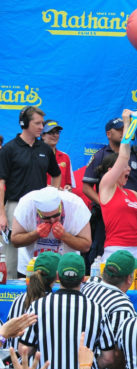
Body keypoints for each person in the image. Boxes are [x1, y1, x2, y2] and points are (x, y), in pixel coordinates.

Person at [18, 253, 115, 369]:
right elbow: (108, 358)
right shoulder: (98, 310)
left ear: (58, 276)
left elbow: (24, 350)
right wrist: (90, 368)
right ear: (83, 278)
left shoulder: (38, 306)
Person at [82, 116, 137, 264]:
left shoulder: (131, 192)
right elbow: (123, 156)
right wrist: (128, 123)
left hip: (136, 246)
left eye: (124, 129)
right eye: (120, 129)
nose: (128, 168)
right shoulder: (103, 162)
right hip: (115, 244)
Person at [0, 106, 62, 279]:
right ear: (24, 123)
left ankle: (40, 283)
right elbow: (1, 182)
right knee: (13, 246)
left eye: (42, 123)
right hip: (15, 205)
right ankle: (10, 287)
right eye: (37, 123)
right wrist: (2, 214)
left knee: (40, 243)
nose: (42, 127)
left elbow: (56, 174)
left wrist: (52, 197)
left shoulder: (44, 149)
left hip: (39, 207)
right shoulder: (9, 149)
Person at [80, 250, 137, 369]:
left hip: (75, 366)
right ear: (129, 279)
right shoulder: (122, 306)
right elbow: (117, 354)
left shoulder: (88, 285)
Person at [10, 186, 91, 278]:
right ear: (38, 211)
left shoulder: (75, 205)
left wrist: (64, 236)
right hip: (31, 268)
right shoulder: (26, 204)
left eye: (56, 215)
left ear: (60, 205)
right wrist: (35, 234)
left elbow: (86, 246)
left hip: (65, 270)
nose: (52, 221)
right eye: (46, 218)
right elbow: (15, 240)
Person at [3, 251, 59, 349]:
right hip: (36, 361)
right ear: (57, 276)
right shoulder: (53, 303)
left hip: (13, 358)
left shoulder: (18, 299)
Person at [40, 120, 73, 190]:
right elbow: (30, 182)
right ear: (43, 135)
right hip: (40, 198)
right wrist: (51, 188)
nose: (55, 135)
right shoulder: (35, 155)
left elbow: (69, 183)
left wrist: (68, 187)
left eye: (57, 132)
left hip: (59, 200)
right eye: (51, 132)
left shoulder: (65, 157)